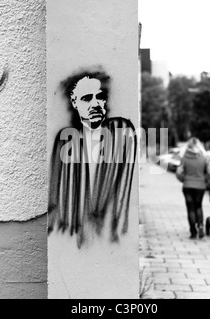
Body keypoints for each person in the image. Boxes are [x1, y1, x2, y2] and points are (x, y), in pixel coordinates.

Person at [48, 69, 137, 248]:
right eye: (87, 98)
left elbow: (122, 194)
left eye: (100, 96)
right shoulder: (65, 140)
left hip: (107, 239)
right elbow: (56, 196)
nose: (95, 104)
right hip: (71, 237)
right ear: (74, 102)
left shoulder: (122, 132)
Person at [180, 137, 210, 239]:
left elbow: (178, 172)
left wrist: (183, 179)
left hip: (188, 186)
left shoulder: (184, 157)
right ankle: (201, 225)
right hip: (200, 186)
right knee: (198, 206)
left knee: (190, 208)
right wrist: (206, 180)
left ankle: (193, 231)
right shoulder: (203, 158)